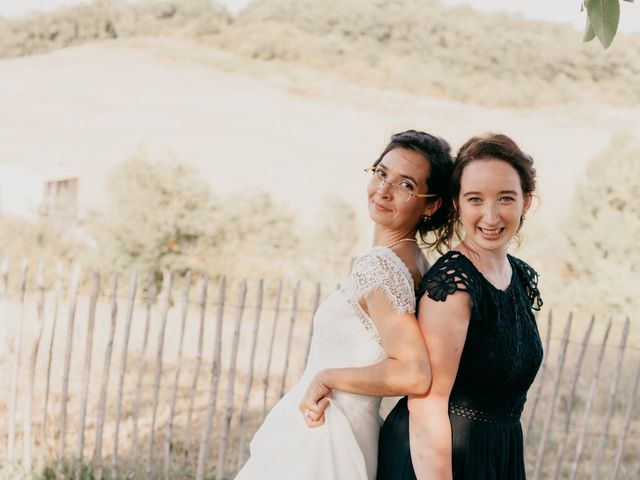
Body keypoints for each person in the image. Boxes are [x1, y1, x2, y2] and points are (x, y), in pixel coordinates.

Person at [234, 130, 454, 480]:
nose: (384, 190)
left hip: (325, 437)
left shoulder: (381, 266)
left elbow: (413, 372)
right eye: (382, 173)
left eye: (406, 185)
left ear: (431, 205)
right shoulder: (416, 262)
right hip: (347, 432)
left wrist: (327, 377)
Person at [376, 133, 543, 480]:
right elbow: (427, 404)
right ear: (456, 203)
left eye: (506, 198)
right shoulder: (453, 286)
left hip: (498, 454)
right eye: (475, 199)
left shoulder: (521, 277)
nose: (490, 215)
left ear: (526, 201)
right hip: (439, 462)